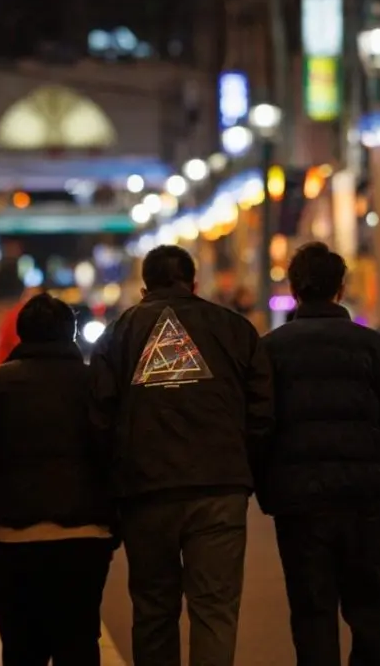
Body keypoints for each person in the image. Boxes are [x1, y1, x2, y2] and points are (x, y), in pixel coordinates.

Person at [90, 244, 273, 666]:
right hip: (220, 490)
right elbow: (263, 411)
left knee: (154, 610)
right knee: (215, 608)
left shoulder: (120, 333)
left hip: (145, 492)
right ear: (194, 283)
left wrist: (115, 480)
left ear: (143, 288)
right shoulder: (234, 329)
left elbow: (99, 417)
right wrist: (246, 468)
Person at [259, 243, 380, 666]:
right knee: (370, 609)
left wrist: (269, 490)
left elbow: (259, 426)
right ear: (340, 289)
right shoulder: (375, 348)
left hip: (300, 502)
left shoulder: (271, 350)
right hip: (367, 498)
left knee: (312, 611)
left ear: (294, 289)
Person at [0, 293, 117, 665]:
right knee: (79, 640)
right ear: (71, 333)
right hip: (85, 534)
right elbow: (113, 454)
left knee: (22, 647)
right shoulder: (95, 384)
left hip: (13, 535)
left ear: (21, 334)